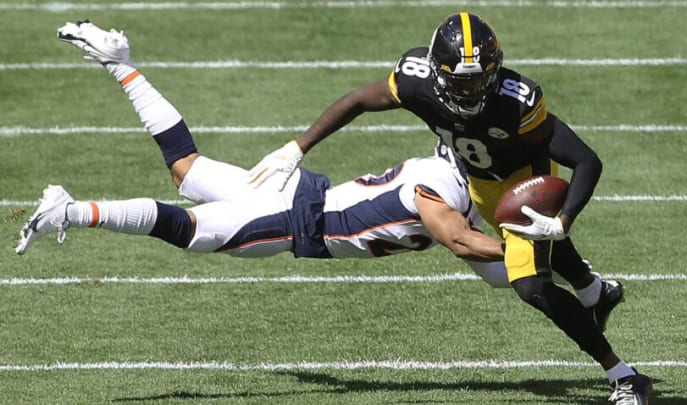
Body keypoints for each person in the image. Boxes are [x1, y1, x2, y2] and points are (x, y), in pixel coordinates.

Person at [247, 12, 652, 404]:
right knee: (536, 250)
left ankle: (626, 377)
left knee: (531, 285)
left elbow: (586, 160)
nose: (472, 92)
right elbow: (358, 100)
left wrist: (562, 219)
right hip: (478, 181)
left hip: (521, 183)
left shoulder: (517, 102)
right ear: (436, 71)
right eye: (462, 83)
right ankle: (595, 292)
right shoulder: (414, 78)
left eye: (480, 81)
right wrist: (297, 147)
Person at [16, 20, 510, 285]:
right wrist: (531, 248)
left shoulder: (447, 176)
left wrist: (580, 283)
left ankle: (118, 62)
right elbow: (463, 241)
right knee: (189, 231)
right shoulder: (443, 189)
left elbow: (497, 271)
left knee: (185, 170)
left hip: (299, 189)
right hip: (300, 219)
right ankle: (70, 210)